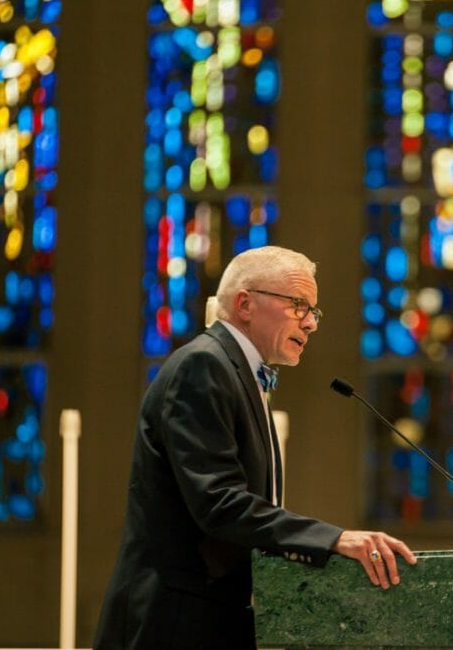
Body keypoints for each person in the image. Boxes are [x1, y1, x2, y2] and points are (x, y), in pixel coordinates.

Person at [94, 245, 417, 649]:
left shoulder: (239, 373)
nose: (311, 323)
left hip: (209, 616)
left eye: (313, 311)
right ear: (245, 304)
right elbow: (219, 502)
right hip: (173, 621)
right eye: (299, 305)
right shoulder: (204, 366)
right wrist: (334, 539)